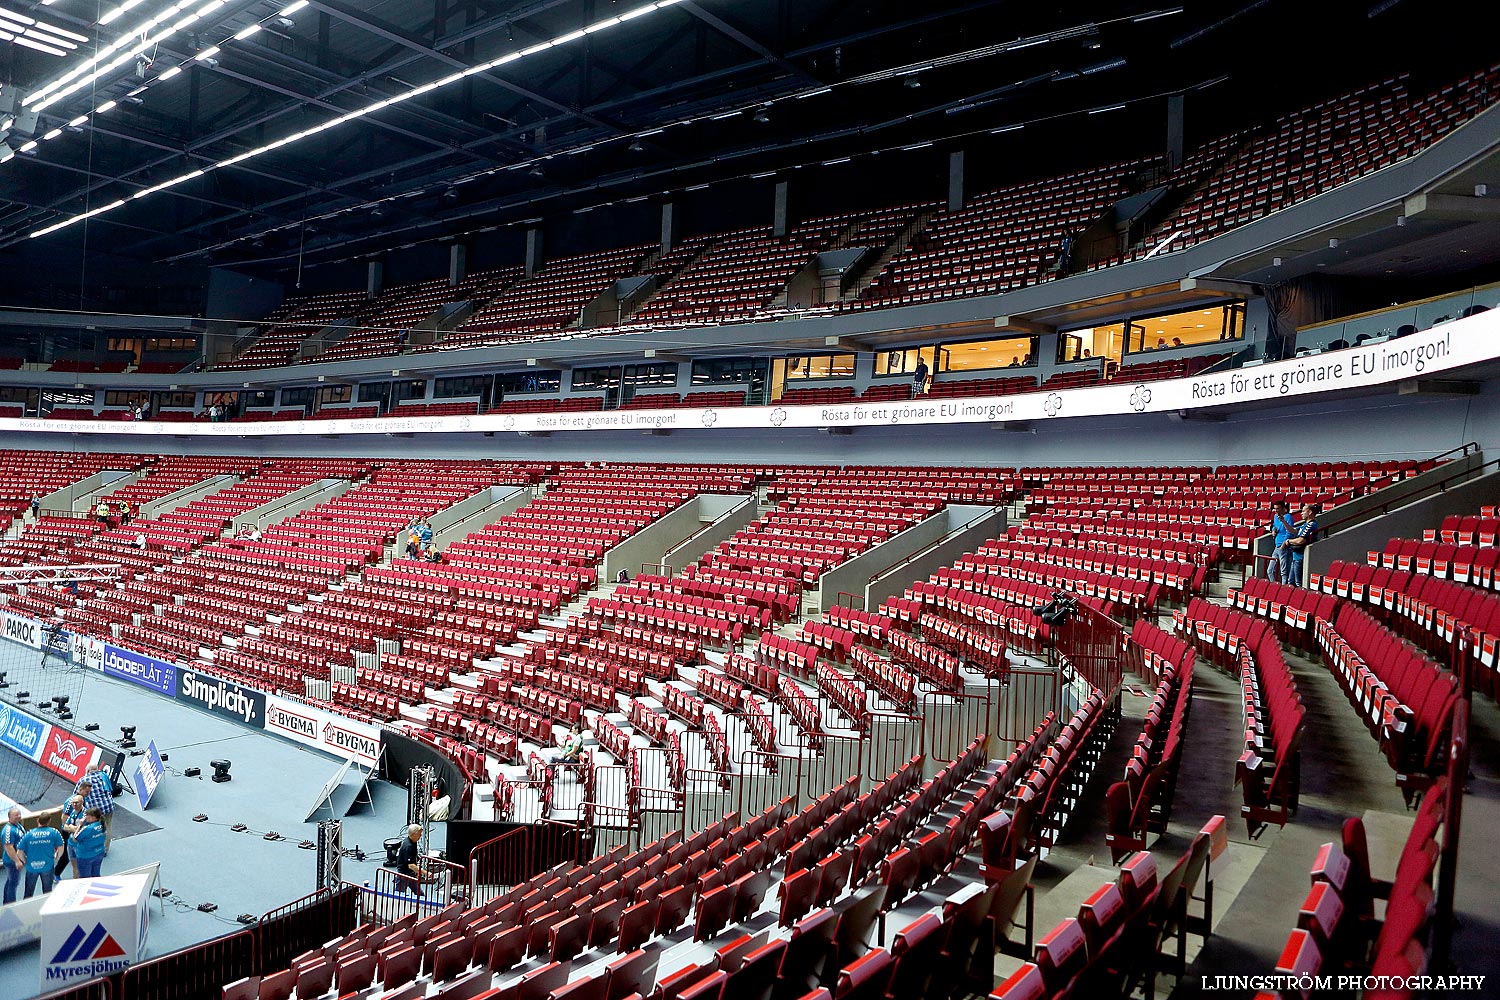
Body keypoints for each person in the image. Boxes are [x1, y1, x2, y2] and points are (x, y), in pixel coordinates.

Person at [76, 763, 116, 854]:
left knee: (91, 828)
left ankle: (91, 847)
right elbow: (110, 790)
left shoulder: (83, 780)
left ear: (88, 771)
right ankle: (105, 850)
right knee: (107, 827)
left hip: (94, 811)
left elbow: (77, 794)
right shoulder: (104, 776)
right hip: (108, 806)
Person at [20, 821, 64, 897]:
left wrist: (25, 861)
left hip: (31, 867)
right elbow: (61, 847)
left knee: (28, 892)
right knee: (47, 892)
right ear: (49, 821)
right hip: (47, 866)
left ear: (37, 821)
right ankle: (47, 907)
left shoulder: (29, 834)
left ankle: (27, 908)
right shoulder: (54, 832)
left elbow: (19, 852)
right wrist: (57, 858)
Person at [1282, 504, 1321, 588]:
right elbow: (1292, 530)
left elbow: (1301, 540)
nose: (1301, 513)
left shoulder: (1311, 525)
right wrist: (1284, 522)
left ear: (1310, 512)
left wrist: (1289, 541)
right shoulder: (1304, 525)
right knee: (1290, 582)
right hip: (1295, 557)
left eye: (1303, 511)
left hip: (1300, 558)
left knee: (1298, 583)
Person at [71, 809, 107, 879]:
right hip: (99, 852)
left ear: (94, 817)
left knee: (85, 878)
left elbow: (74, 839)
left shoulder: (87, 829)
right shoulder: (102, 824)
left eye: (88, 816)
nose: (86, 817)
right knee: (96, 874)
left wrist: (79, 825)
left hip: (86, 856)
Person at [1267, 500, 1297, 583]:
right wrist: (1273, 530)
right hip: (1277, 545)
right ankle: (1274, 586)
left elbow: (1290, 531)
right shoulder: (1275, 516)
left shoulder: (1288, 517)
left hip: (1283, 546)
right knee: (1270, 570)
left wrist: (1284, 543)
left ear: (1284, 508)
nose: (1276, 510)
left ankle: (1284, 588)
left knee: (1283, 572)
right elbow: (1275, 526)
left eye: (1278, 508)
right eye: (1275, 509)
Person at [395, 823, 426, 896]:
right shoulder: (408, 846)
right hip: (404, 874)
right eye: (419, 834)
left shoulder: (413, 842)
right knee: (398, 895)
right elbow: (411, 866)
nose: (420, 836)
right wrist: (425, 872)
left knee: (420, 894)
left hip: (411, 873)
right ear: (414, 834)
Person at [1, 807, 24, 905]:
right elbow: (8, 847)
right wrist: (17, 861)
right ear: (9, 817)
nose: (18, 816)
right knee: (13, 883)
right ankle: (11, 904)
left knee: (11, 881)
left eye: (19, 814)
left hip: (16, 859)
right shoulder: (8, 830)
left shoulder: (18, 825)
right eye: (16, 815)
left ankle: (7, 901)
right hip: (11, 861)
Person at [60, 794, 86, 878]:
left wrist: (71, 828)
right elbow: (65, 827)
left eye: (77, 803)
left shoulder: (85, 815)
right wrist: (73, 828)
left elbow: (81, 831)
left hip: (80, 845)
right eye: (73, 803)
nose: (74, 805)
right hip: (71, 844)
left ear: (82, 803)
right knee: (75, 867)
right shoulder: (73, 813)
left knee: (82, 867)